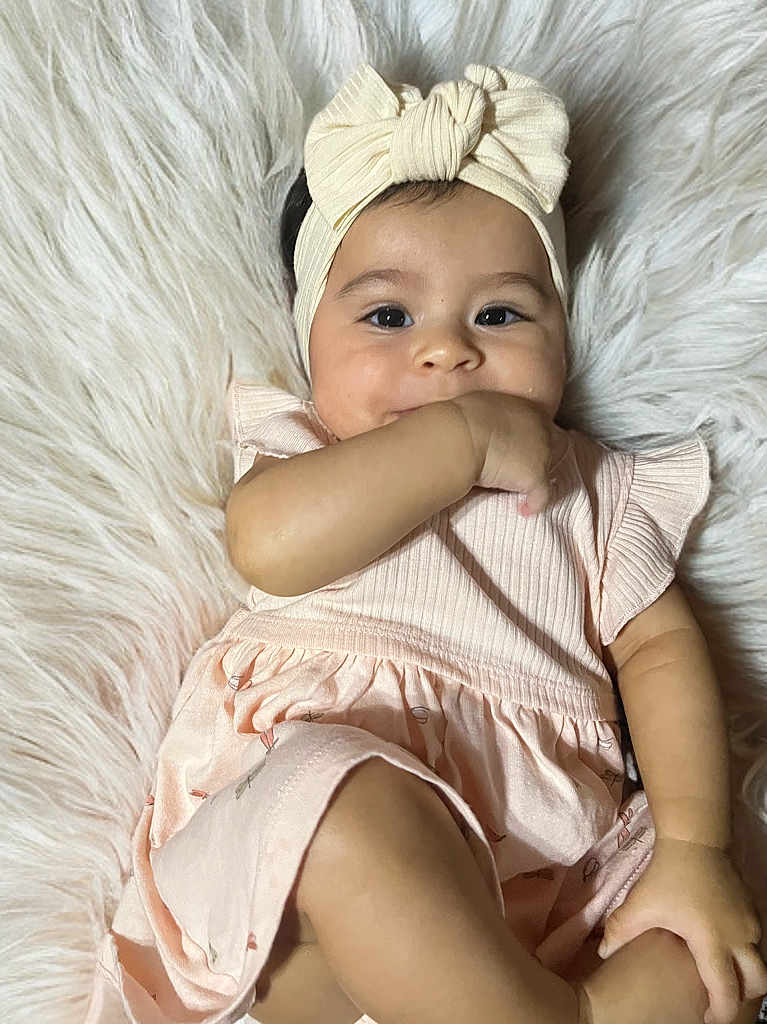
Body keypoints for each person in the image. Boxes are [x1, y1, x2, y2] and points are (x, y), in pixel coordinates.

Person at [86, 62, 767, 1024]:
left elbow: (658, 650)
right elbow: (266, 546)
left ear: (564, 339)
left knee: (710, 946)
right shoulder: (309, 449)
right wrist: (455, 444)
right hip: (318, 852)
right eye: (386, 316)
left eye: (499, 314)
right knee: (346, 804)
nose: (445, 349)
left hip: (544, 874)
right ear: (308, 341)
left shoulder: (595, 491)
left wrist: (694, 852)